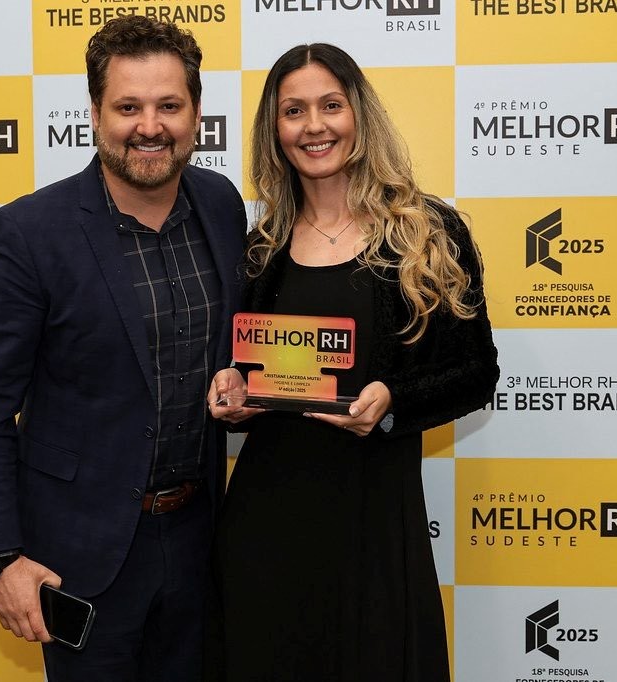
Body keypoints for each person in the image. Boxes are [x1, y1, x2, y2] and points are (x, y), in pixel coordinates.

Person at [0, 16, 247, 682]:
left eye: (169, 105)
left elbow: (232, 351)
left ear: (197, 113)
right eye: (128, 107)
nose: (150, 126)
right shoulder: (31, 231)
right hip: (80, 556)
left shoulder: (221, 204)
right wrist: (0, 557)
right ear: (94, 113)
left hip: (200, 541)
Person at [206, 43, 499, 681]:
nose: (314, 126)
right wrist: (232, 392)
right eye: (294, 111)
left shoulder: (425, 233)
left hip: (374, 521)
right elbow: (248, 373)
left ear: (359, 113)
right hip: (266, 522)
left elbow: (478, 372)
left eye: (331, 105)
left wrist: (393, 401)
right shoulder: (260, 249)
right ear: (274, 129)